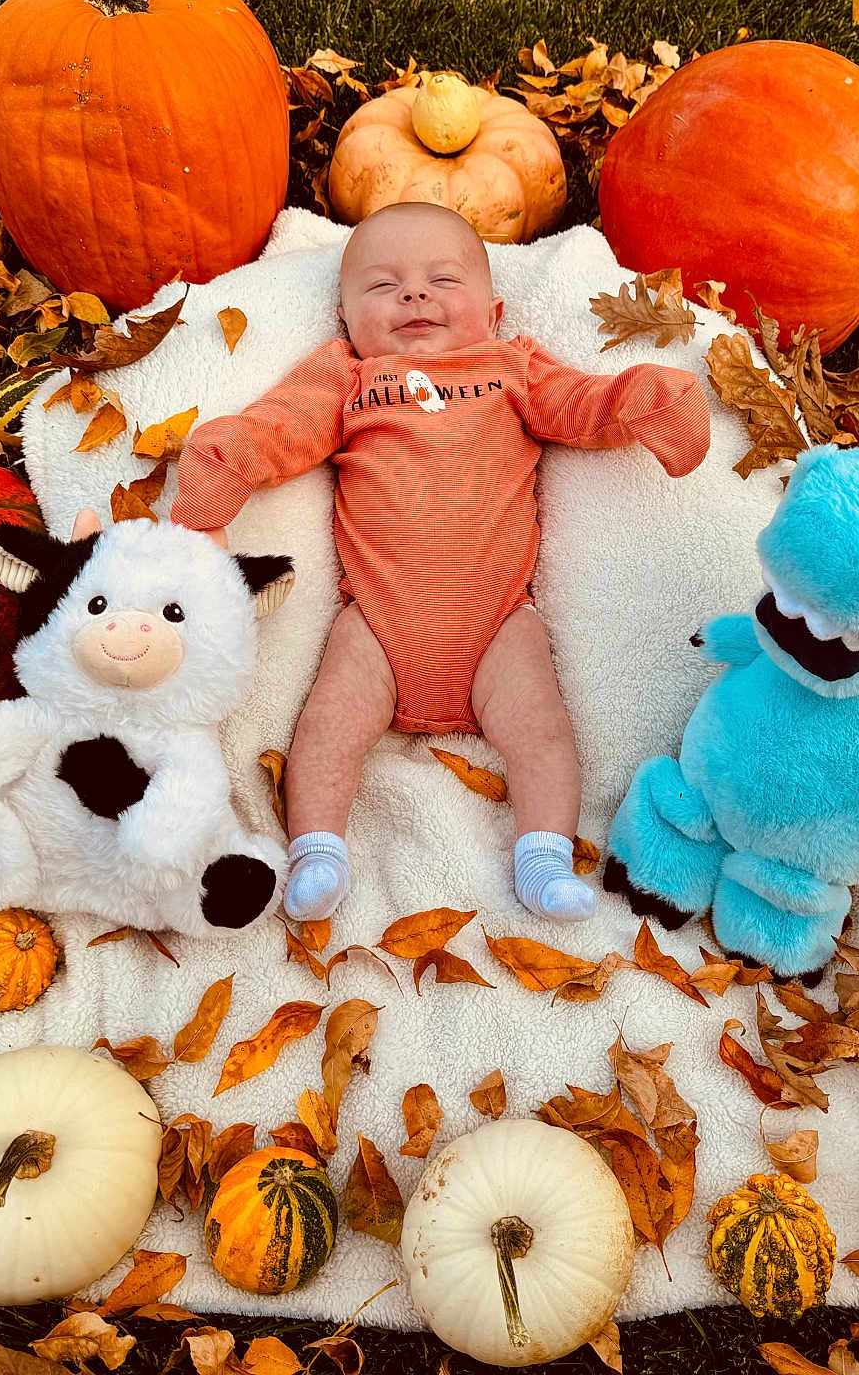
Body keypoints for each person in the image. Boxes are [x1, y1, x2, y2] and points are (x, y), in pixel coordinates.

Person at [170, 202, 710, 924]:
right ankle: (318, 853)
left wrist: (647, 402)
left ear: (493, 312)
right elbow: (282, 428)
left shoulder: (512, 365)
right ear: (344, 317)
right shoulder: (348, 377)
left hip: (497, 621)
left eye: (443, 280)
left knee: (544, 731)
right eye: (383, 285)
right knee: (326, 729)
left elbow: (583, 406)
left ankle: (544, 859)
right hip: (378, 622)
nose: (414, 294)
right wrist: (226, 464)